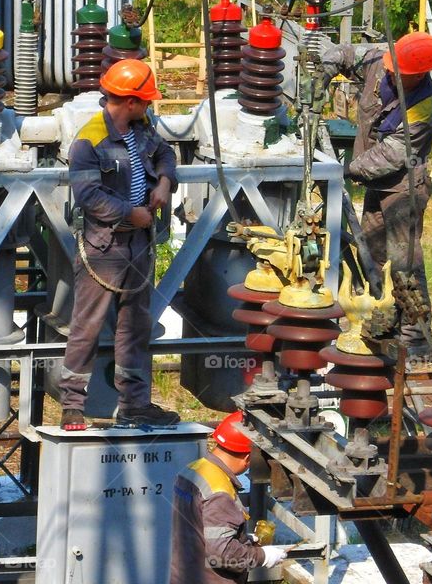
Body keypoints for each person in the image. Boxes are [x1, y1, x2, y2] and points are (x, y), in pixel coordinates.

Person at [60, 59, 180, 430]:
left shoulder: (141, 130)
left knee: (135, 326)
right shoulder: (89, 140)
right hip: (104, 248)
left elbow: (165, 154)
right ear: (129, 100)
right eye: (145, 101)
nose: (149, 107)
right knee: (87, 326)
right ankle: (72, 405)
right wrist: (132, 213)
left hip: (138, 246)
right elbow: (88, 196)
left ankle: (134, 404)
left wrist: (163, 181)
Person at [322, 32, 432, 356]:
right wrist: (317, 78)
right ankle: (382, 324)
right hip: (376, 185)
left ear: (417, 74)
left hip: (403, 189)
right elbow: (342, 54)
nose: (390, 72)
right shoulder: (380, 61)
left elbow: (391, 155)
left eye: (398, 71)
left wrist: (347, 170)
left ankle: (416, 340)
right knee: (372, 255)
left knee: (403, 263)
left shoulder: (425, 107)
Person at [171, 412, 287, 583]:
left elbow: (200, 527)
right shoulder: (220, 491)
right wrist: (263, 556)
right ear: (248, 458)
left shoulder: (191, 470)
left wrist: (241, 537)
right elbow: (222, 554)